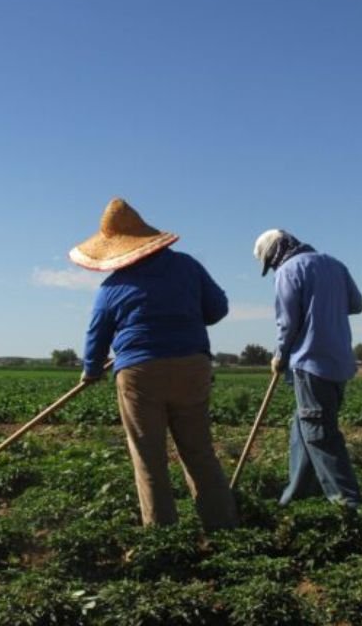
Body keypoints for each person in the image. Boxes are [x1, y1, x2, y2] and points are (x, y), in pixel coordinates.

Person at [73, 197, 237, 531]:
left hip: (140, 373)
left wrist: (91, 369)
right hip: (193, 365)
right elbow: (217, 309)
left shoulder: (113, 287)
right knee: (199, 450)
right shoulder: (188, 267)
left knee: (149, 457)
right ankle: (223, 528)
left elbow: (96, 335)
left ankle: (163, 536)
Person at [253, 229, 362, 509]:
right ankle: (294, 497)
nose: (273, 266)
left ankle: (347, 503)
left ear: (275, 252)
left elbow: (288, 322)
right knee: (303, 428)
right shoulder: (335, 264)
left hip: (310, 361)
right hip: (339, 361)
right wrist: (327, 306)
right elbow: (356, 305)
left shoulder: (288, 270)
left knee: (319, 433)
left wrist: (279, 355)